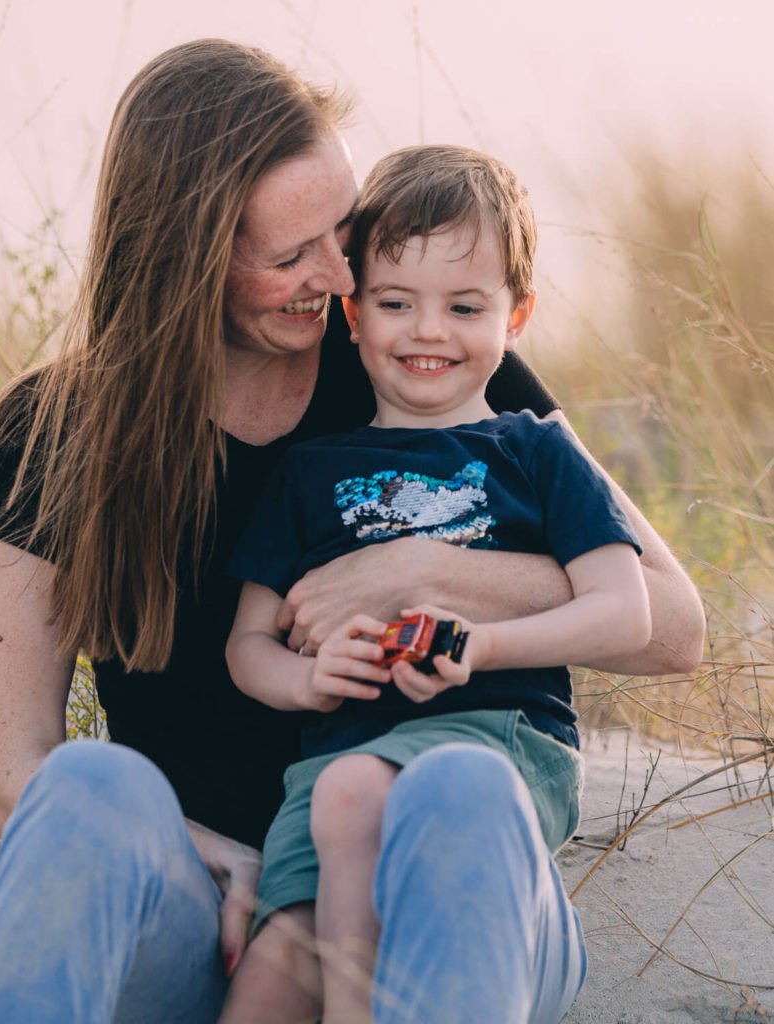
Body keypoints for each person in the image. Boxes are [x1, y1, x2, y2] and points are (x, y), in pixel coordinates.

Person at [0, 39, 704, 1024]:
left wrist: (420, 566)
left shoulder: (420, 359)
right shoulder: (57, 431)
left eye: (343, 229)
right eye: (292, 254)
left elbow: (671, 625)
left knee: (462, 791)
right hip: (212, 917)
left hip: (442, 909)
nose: (343, 272)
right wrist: (232, 865)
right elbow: (12, 777)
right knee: (91, 784)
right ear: (188, 259)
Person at [218, 144, 651, 1023]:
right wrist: (308, 679)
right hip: (333, 760)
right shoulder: (308, 471)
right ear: (352, 314)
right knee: (269, 978)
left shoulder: (535, 450)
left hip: (495, 744)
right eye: (394, 303)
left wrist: (483, 643)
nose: (427, 332)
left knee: (358, 799)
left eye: (463, 306)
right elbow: (247, 643)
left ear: (515, 316)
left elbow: (626, 613)